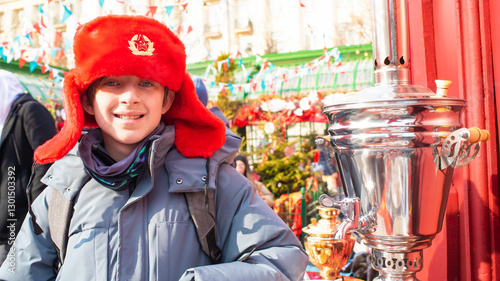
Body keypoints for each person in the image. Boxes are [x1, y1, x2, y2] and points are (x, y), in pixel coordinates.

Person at [0, 15, 308, 280]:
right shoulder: (63, 187)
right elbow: (19, 270)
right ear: (87, 100)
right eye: (112, 82)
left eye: (146, 83)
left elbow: (281, 257)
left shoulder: (210, 182)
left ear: (167, 99)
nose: (130, 97)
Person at [0, 70, 57, 263]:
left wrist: (36, 215)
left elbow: (47, 160)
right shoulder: (6, 116)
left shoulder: (30, 110)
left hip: (21, 220)